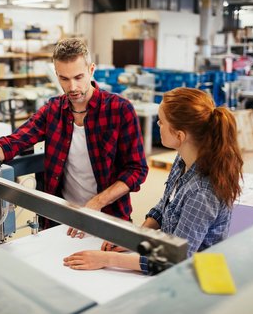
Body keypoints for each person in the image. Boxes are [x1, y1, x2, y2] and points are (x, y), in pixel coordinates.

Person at [0, 38, 148, 236]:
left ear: (91, 70)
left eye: (78, 77)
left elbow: (137, 170)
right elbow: (14, 142)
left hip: (108, 217)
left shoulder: (120, 110)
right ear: (56, 74)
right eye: (64, 78)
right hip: (61, 219)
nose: (72, 87)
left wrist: (96, 203)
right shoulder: (53, 110)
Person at [63, 87, 243, 274]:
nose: (157, 124)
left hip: (194, 274)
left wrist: (107, 259)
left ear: (179, 136)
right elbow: (164, 207)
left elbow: (175, 259)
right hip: (166, 251)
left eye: (162, 122)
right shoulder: (183, 159)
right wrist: (134, 238)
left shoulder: (203, 192)